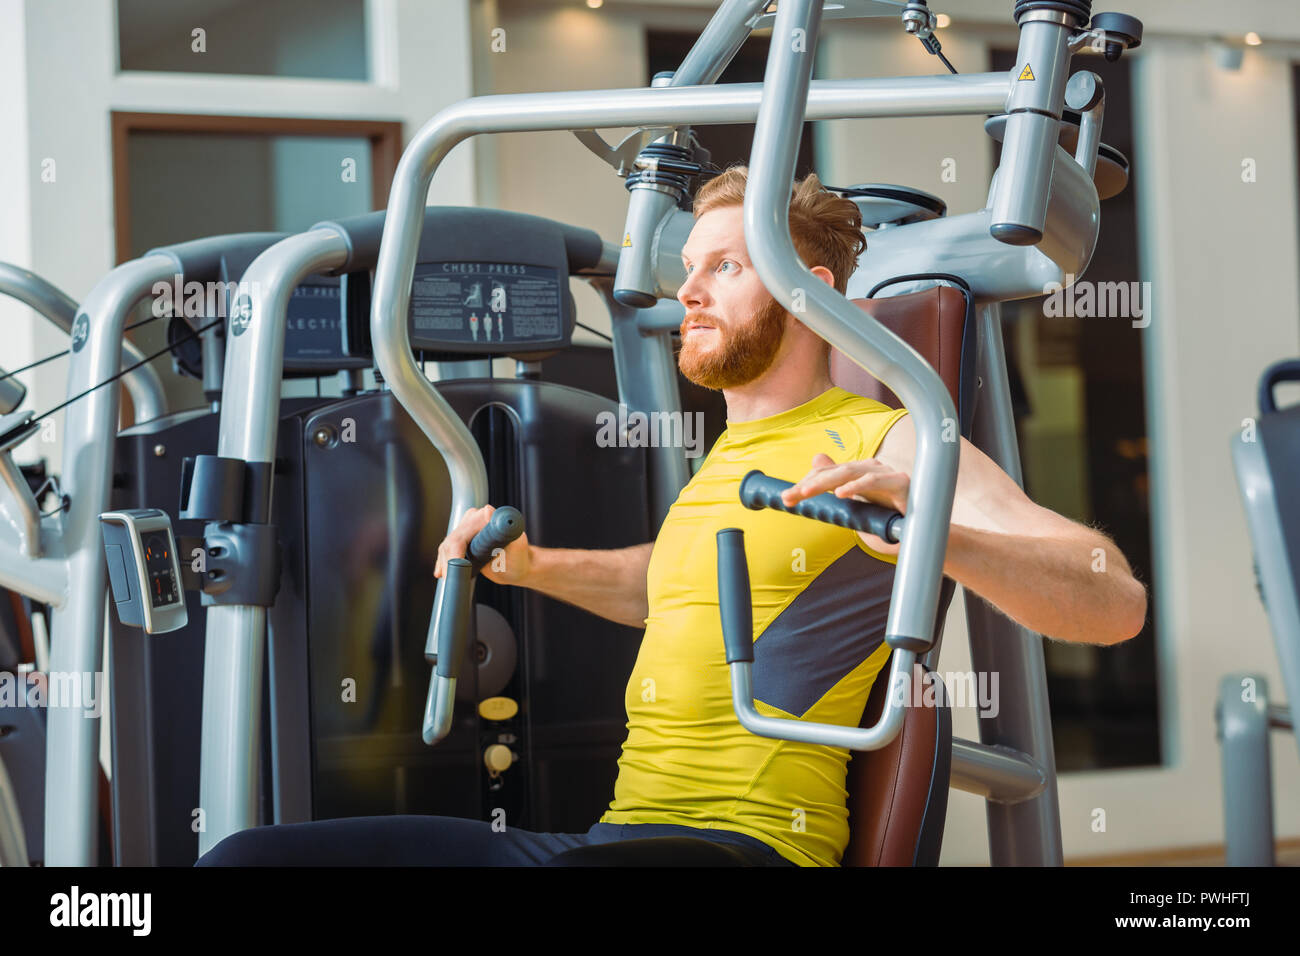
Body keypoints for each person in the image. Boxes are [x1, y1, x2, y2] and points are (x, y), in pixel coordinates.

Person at [198, 166, 1147, 867]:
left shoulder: (890, 442)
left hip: (746, 848)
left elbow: (1113, 603)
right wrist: (531, 568)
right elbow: (665, 587)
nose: (687, 291)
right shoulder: (722, 460)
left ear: (807, 287)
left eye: (724, 267)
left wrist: (934, 534)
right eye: (690, 267)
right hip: (615, 841)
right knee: (246, 862)